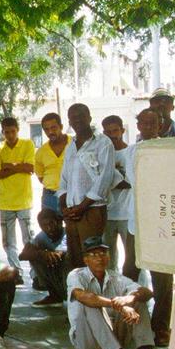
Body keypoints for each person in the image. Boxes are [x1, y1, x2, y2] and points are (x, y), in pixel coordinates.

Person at [66, 237, 161, 349]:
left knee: (138, 299)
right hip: (87, 342)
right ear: (86, 259)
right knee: (90, 303)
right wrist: (121, 307)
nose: (99, 258)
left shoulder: (116, 277)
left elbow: (148, 293)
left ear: (109, 256)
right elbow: (84, 297)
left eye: (103, 253)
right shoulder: (76, 275)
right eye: (94, 254)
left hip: (115, 338)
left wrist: (131, 298)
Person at [133, 107, 174, 346]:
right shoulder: (132, 150)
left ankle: (161, 327)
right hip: (135, 220)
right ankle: (132, 321)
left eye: (153, 123)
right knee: (131, 270)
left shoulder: (167, 150)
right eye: (144, 123)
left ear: (160, 125)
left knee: (162, 279)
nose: (148, 128)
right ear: (138, 125)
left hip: (161, 221)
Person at [58, 103, 116, 266]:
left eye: (81, 116)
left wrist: (82, 206)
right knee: (75, 259)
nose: (77, 120)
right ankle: (78, 292)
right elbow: (64, 179)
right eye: (72, 118)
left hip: (92, 210)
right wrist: (64, 207)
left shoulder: (103, 143)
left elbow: (105, 178)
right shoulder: (70, 146)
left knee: (93, 259)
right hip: (72, 212)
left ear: (89, 118)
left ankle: (95, 292)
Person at [0, 116, 37, 278]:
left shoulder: (27, 144)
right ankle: (16, 272)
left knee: (29, 240)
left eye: (12, 131)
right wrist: (19, 166)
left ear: (18, 130)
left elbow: (30, 167)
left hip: (24, 200)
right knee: (8, 242)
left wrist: (9, 166)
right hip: (5, 202)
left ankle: (35, 274)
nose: (10, 135)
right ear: (2, 132)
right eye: (6, 132)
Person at [100, 114, 137, 280]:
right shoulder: (102, 154)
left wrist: (111, 179)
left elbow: (131, 182)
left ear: (122, 130)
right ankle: (111, 294)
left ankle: (134, 295)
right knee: (108, 259)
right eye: (108, 132)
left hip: (126, 213)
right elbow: (98, 180)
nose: (112, 135)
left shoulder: (131, 152)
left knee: (131, 259)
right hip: (107, 212)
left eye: (115, 130)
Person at [26, 208, 69, 305]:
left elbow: (60, 252)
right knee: (36, 257)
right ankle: (54, 296)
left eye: (51, 224)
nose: (49, 228)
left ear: (59, 222)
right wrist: (42, 253)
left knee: (67, 258)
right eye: (44, 226)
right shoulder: (41, 237)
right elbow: (23, 254)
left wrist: (51, 254)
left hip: (70, 272)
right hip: (56, 272)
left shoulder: (68, 232)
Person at [33, 113, 68, 215]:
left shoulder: (74, 144)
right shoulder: (41, 152)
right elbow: (40, 177)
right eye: (46, 129)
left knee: (73, 228)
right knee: (50, 228)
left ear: (61, 127)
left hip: (72, 195)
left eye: (53, 128)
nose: (50, 132)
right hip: (49, 196)